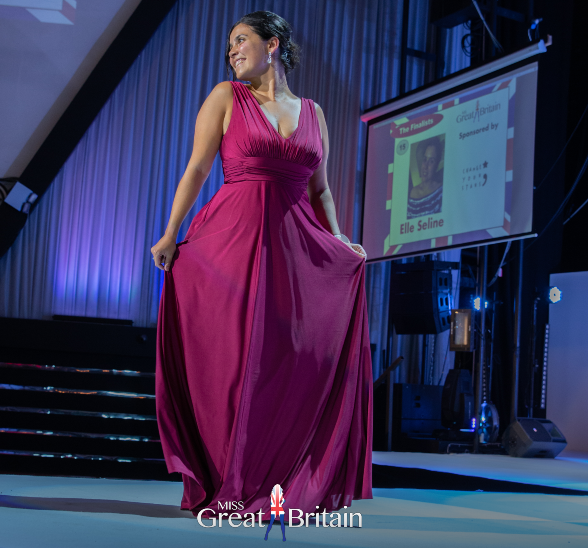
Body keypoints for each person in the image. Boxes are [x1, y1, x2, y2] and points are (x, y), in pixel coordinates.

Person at [150, 11, 373, 518]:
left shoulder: (313, 113)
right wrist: (170, 232)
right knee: (233, 365)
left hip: (294, 252)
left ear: (272, 45)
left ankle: (278, 478)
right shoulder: (226, 96)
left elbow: (321, 190)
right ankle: (227, 476)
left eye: (241, 40)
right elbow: (198, 169)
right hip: (232, 242)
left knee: (286, 362)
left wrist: (339, 240)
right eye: (229, 44)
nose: (232, 51)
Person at [407, 138, 444, 218]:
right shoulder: (412, 192)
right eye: (424, 159)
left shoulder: (441, 192)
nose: (425, 166)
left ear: (436, 165)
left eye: (431, 161)